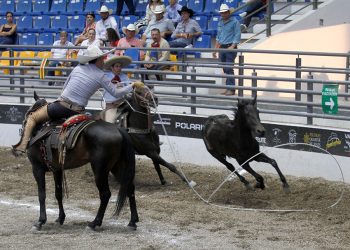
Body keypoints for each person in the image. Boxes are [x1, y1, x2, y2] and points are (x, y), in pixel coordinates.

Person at [12, 45, 145, 156]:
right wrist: (132, 85)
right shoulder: (102, 76)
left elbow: (65, 87)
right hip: (78, 112)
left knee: (33, 117)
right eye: (103, 58)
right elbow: (116, 92)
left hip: (61, 106)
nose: (104, 60)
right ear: (98, 59)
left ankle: (22, 146)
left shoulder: (78, 68)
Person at [213, 4, 241, 96]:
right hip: (222, 47)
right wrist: (215, 49)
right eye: (222, 13)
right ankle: (228, 87)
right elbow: (218, 37)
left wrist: (233, 46)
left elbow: (237, 35)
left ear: (229, 12)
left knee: (229, 68)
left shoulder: (235, 22)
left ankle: (231, 89)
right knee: (225, 68)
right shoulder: (220, 22)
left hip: (229, 47)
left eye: (225, 12)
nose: (223, 14)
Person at [102, 55, 134, 123]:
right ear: (111, 67)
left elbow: (131, 87)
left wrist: (123, 87)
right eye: (117, 66)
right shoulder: (106, 76)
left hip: (123, 104)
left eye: (120, 66)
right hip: (111, 105)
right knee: (110, 122)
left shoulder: (124, 76)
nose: (119, 68)